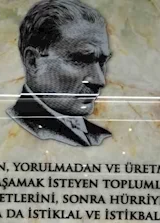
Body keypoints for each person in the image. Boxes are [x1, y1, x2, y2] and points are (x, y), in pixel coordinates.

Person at [6, 0, 112, 148]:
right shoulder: (13, 134)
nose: (99, 80)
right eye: (80, 60)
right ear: (33, 62)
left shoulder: (102, 137)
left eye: (102, 62)